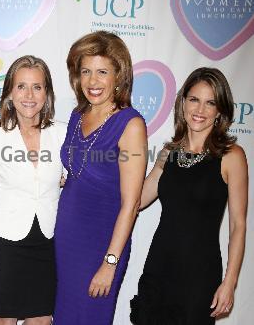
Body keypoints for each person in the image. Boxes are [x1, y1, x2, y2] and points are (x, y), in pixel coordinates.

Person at [130, 67, 248, 324]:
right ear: (183, 102)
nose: (200, 110)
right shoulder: (168, 154)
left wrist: (230, 282)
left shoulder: (231, 156)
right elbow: (135, 201)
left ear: (220, 111)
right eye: (194, 99)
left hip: (199, 276)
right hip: (159, 267)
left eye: (210, 103)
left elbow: (238, 225)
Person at [53, 31, 147, 324]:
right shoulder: (76, 116)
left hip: (101, 246)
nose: (93, 81)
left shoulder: (130, 124)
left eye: (102, 72)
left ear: (119, 76)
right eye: (86, 71)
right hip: (66, 240)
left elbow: (131, 204)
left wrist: (110, 263)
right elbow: (80, 171)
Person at [0, 55, 66, 325]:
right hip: (6, 242)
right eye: (21, 86)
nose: (29, 95)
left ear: (47, 93)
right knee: (3, 320)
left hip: (48, 240)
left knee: (42, 320)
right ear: (9, 92)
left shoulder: (64, 134)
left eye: (37, 87)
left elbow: (80, 178)